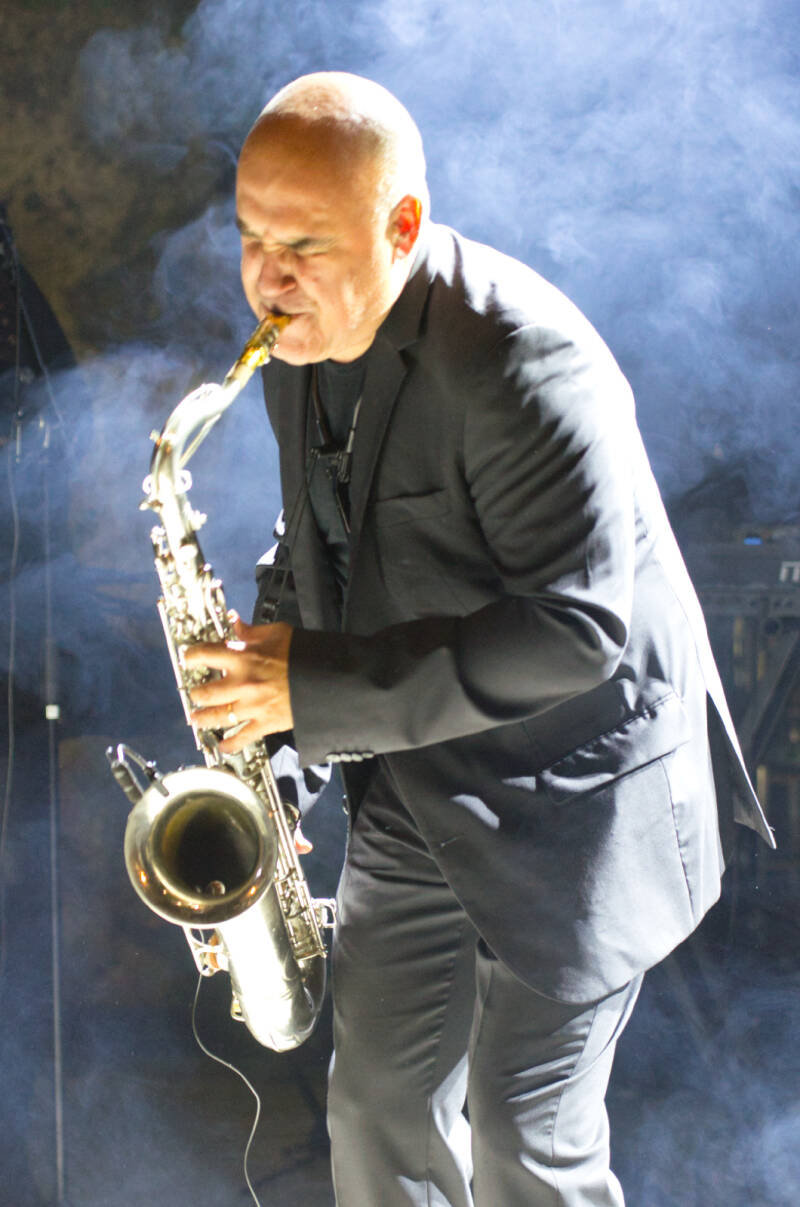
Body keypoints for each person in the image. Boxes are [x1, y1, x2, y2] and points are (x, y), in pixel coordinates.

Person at [184, 72, 773, 1207]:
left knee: (525, 1141)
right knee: (375, 1114)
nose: (267, 278)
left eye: (302, 245)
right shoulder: (297, 350)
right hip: (423, 773)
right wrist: (273, 774)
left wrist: (311, 689)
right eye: (251, 238)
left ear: (401, 224)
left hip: (578, 794)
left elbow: (573, 631)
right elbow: (319, 553)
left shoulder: (518, 356)